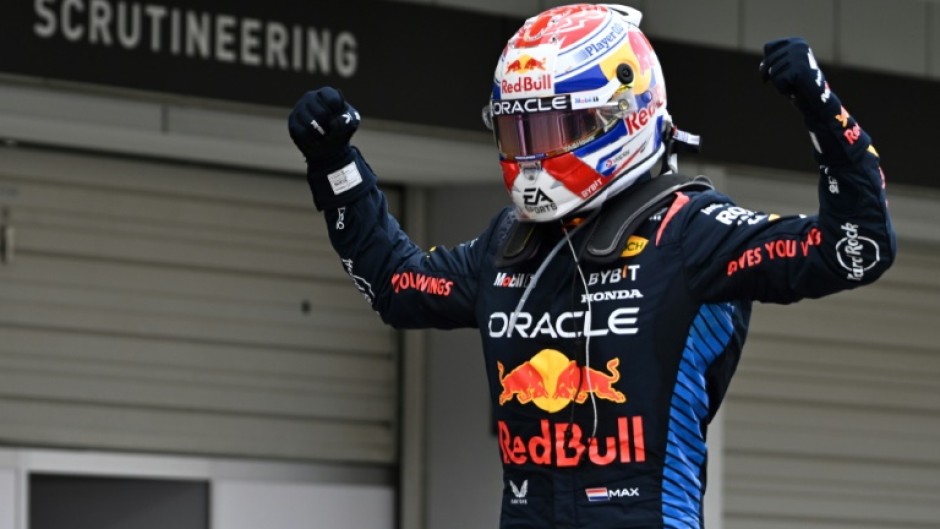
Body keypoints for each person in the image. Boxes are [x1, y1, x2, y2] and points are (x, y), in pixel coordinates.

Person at [288, 4, 896, 528]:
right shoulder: (508, 244)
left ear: (622, 115)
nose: (531, 153)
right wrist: (335, 167)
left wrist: (823, 112)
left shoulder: (692, 231)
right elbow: (398, 287)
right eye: (516, 130)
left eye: (554, 126)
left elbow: (856, 248)